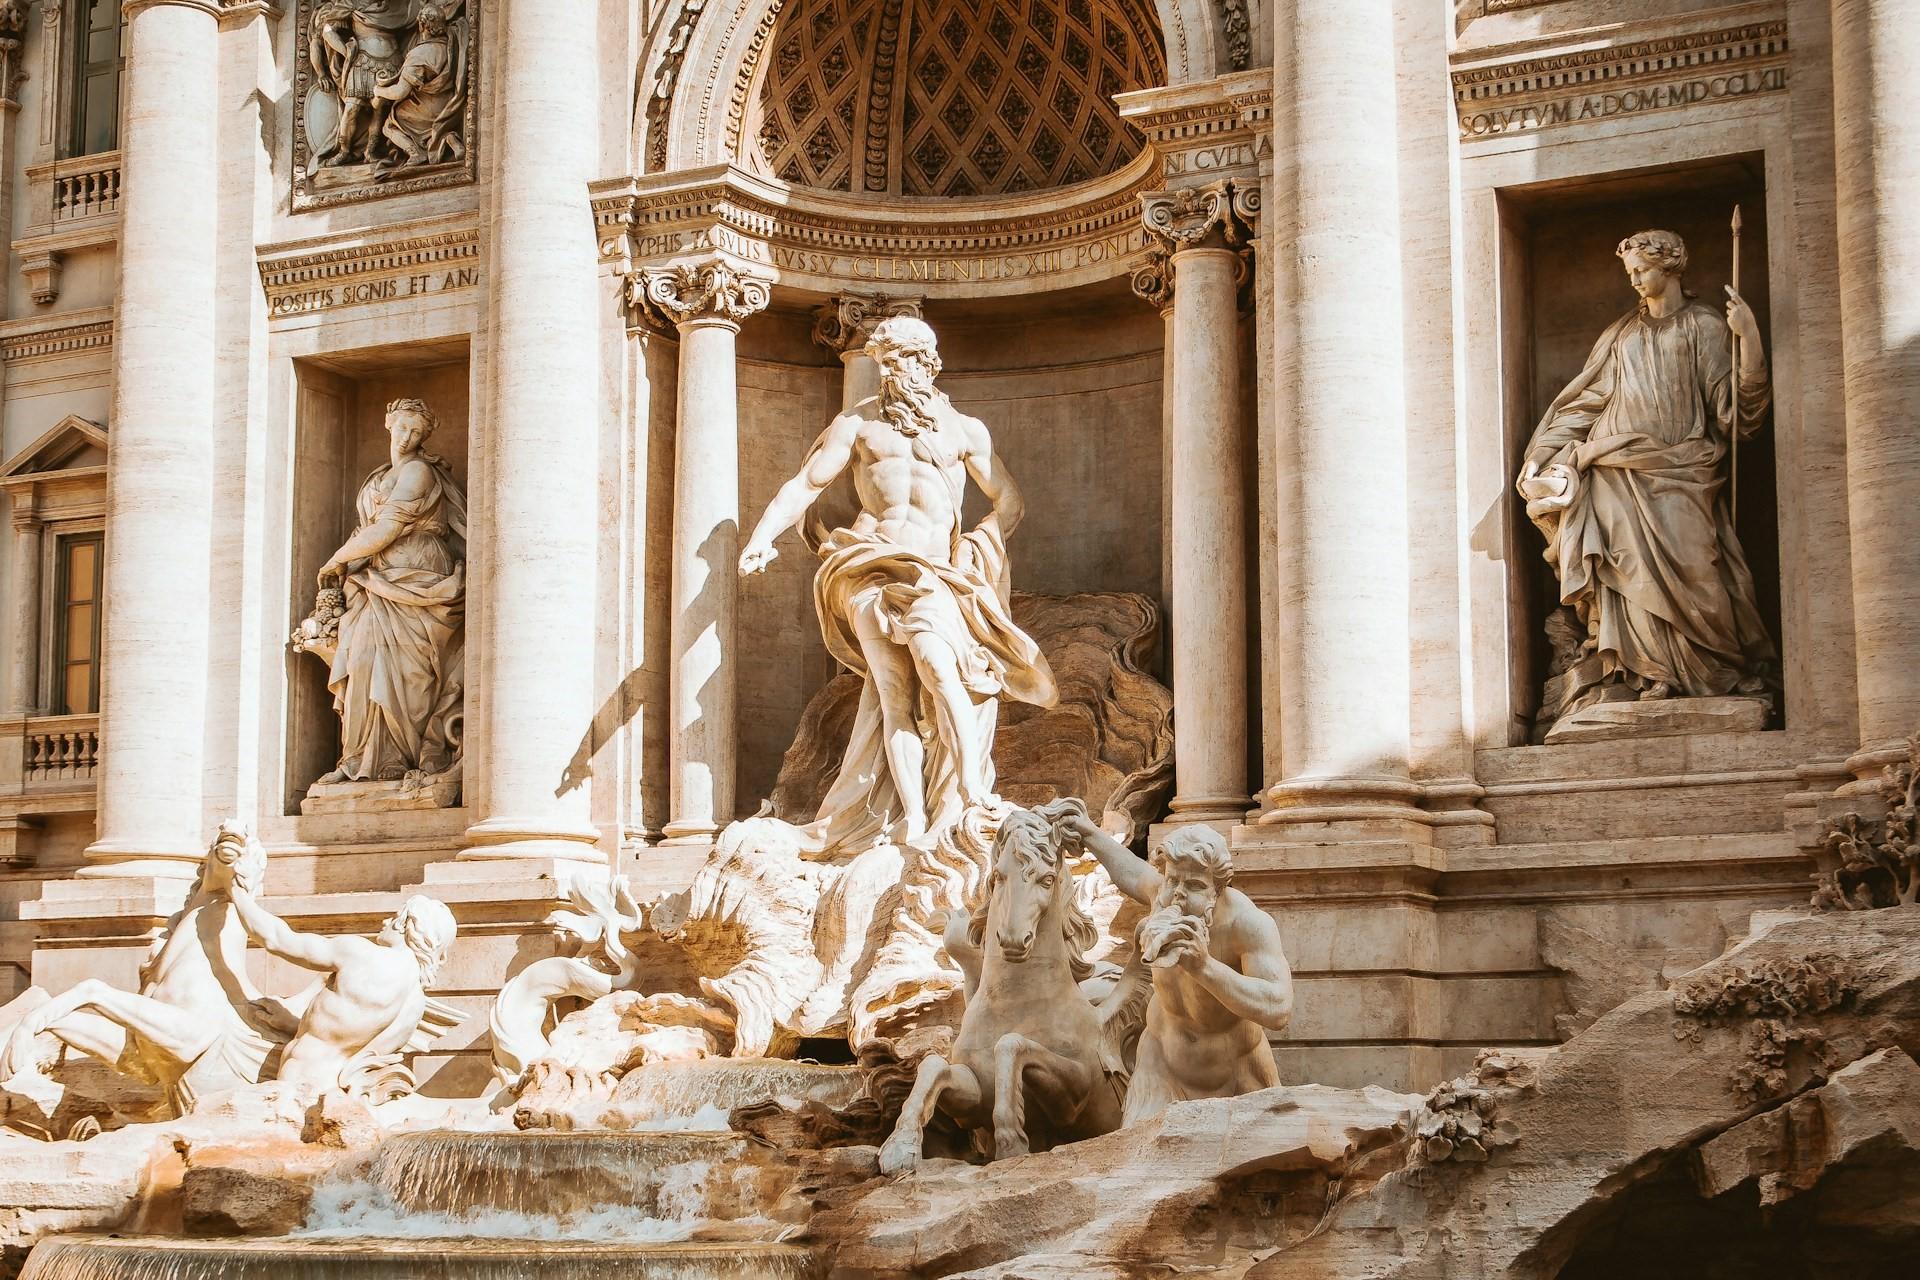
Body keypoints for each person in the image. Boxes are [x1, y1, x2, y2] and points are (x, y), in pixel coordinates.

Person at [738, 316, 1056, 849]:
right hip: (868, 564)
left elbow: (1009, 499)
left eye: (902, 358)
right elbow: (806, 483)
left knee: (939, 667)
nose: (892, 370)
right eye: (885, 361)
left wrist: (979, 550)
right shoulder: (857, 426)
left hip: (934, 570)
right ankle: (910, 817)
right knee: (894, 698)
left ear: (928, 362)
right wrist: (761, 536)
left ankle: (974, 792)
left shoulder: (965, 430)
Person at [1518, 229, 1775, 726]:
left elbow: (1738, 411)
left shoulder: (1704, 326)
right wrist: (1541, 454)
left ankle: (1713, 671)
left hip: (1684, 468)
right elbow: (1587, 402)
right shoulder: (1621, 335)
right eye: (1630, 272)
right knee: (1626, 571)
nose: (1636, 280)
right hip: (1615, 470)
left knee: (1699, 569)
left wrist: (1750, 338)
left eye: (1643, 269)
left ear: (1673, 265)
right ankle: (1640, 674)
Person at [1067, 816, 1293, 1124]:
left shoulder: (1248, 924)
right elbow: (1132, 871)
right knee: (1141, 1164)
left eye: (1195, 885)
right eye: (1173, 880)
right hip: (1161, 1066)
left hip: (1238, 1072)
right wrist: (1089, 832)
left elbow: (1278, 1008)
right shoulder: (1163, 896)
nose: (1178, 895)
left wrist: (1204, 967)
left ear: (1218, 888)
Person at [309, 397, 466, 791]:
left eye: (417, 432)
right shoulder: (378, 476)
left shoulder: (419, 473)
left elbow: (388, 528)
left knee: (411, 672)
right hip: (374, 579)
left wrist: (337, 560)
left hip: (418, 575)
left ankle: (405, 756)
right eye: (402, 428)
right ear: (387, 423)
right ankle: (361, 758)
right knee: (362, 660)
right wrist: (351, 564)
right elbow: (368, 530)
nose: (408, 437)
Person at [227, 888, 455, 1101]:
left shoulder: (362, 954)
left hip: (295, 1087)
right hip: (335, 1096)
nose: (386, 922)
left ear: (407, 925)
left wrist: (236, 892)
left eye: (395, 917)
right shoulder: (415, 1005)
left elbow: (277, 939)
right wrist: (292, 1024)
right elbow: (349, 1043)